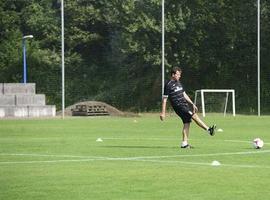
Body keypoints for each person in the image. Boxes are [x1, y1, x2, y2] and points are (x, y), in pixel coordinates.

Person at [160, 67, 216, 148]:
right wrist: (163, 113)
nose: (179, 76)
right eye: (178, 74)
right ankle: (208, 130)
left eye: (180, 74)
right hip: (179, 106)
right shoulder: (168, 85)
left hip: (184, 105)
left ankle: (184, 144)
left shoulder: (179, 83)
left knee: (187, 122)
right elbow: (164, 99)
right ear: (173, 74)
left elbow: (184, 94)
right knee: (194, 115)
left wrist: (192, 103)